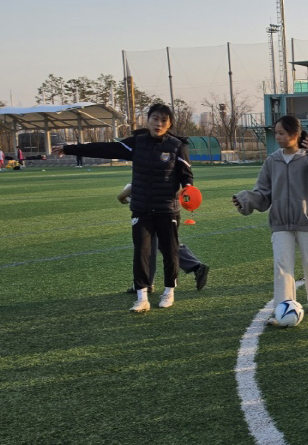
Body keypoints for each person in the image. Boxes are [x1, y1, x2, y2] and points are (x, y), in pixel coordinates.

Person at [58, 102, 194, 313]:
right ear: (147, 120)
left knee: (170, 252)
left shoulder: (177, 146)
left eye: (163, 120)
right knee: (141, 252)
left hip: (167, 208)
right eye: (155, 118)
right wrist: (69, 149)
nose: (158, 124)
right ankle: (142, 297)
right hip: (141, 207)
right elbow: (104, 148)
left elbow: (187, 176)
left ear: (169, 124)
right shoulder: (137, 143)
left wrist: (188, 189)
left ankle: (169, 291)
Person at [233, 114, 308, 320]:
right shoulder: (273, 160)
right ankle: (283, 307)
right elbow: (263, 192)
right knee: (282, 266)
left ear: (295, 134)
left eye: (282, 133)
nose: (277, 137)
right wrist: (246, 200)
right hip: (280, 223)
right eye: (276, 133)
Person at [116, 181, 209, 293]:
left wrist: (122, 195)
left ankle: (147, 284)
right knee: (166, 243)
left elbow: (134, 186)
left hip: (153, 211)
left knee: (149, 246)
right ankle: (196, 266)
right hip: (168, 208)